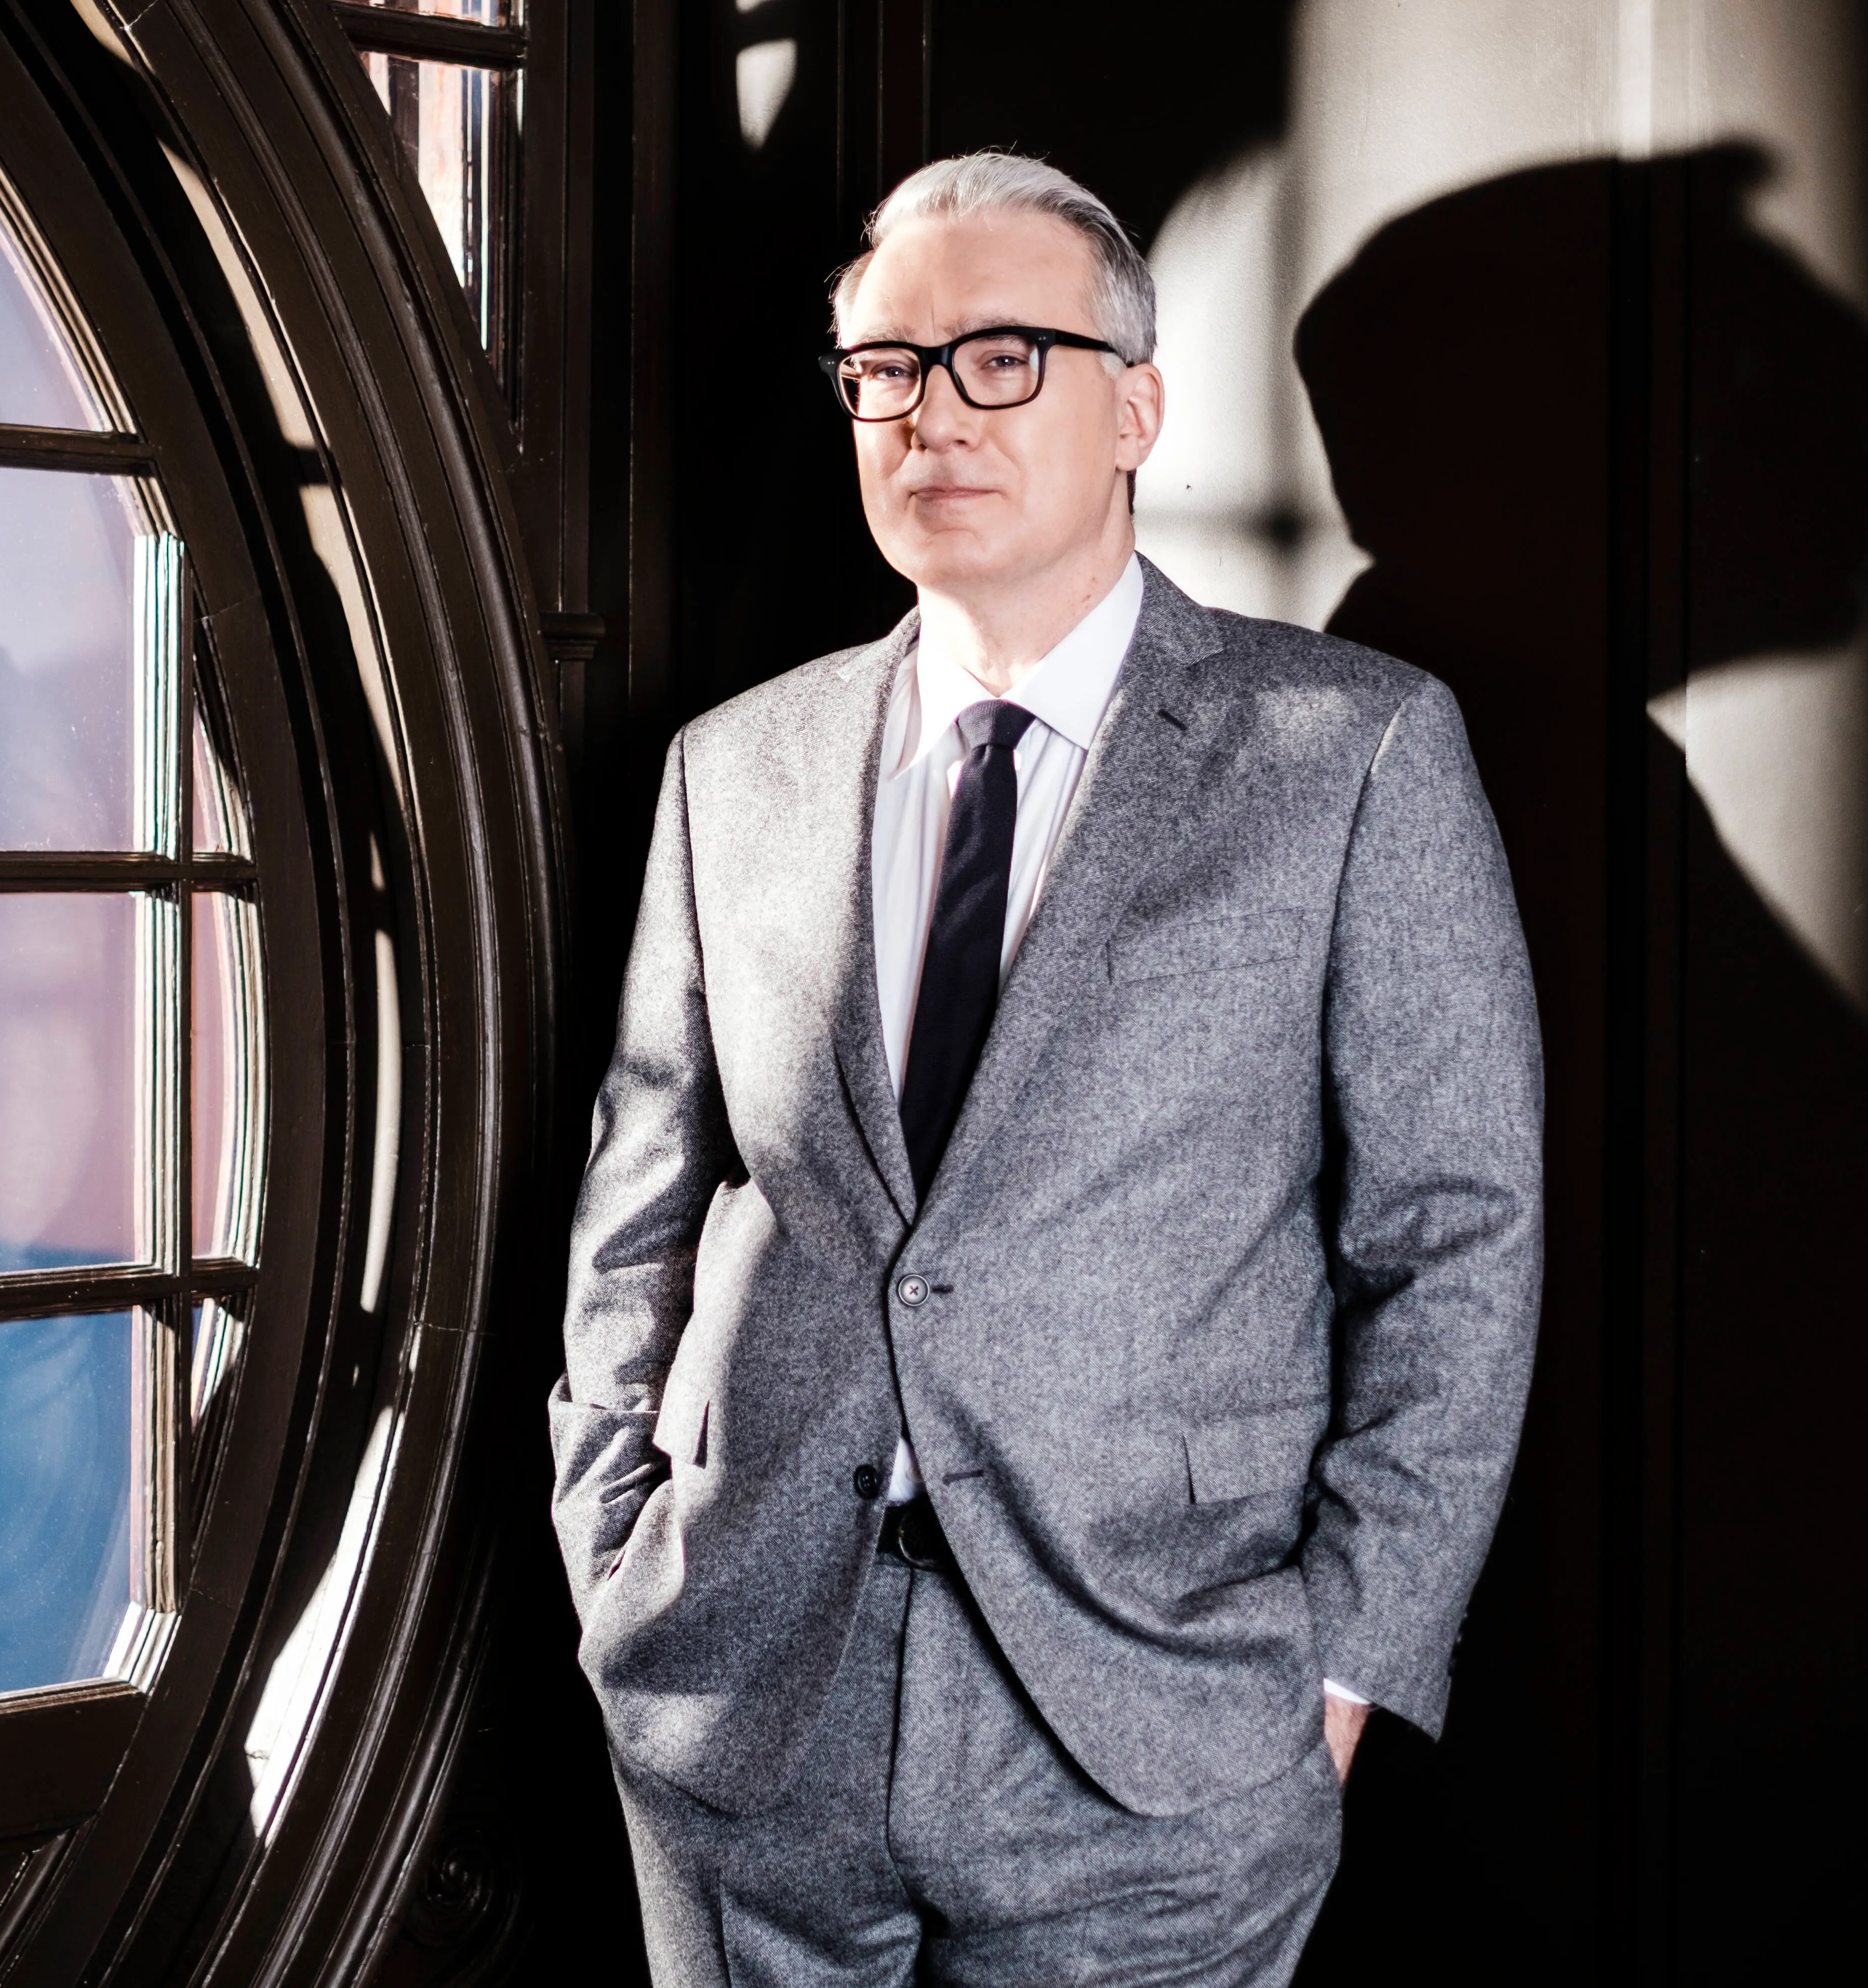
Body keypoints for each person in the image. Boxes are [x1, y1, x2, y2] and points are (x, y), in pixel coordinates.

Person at [549, 152, 1543, 1986]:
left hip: (1161, 1736)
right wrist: (619, 1548)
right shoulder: (734, 769)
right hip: (747, 1706)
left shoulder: (1350, 756)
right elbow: (650, 1183)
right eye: (886, 368)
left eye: (1003, 356)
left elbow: (1458, 1239)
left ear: (1137, 409)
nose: (933, 412)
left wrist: (1338, 1665)